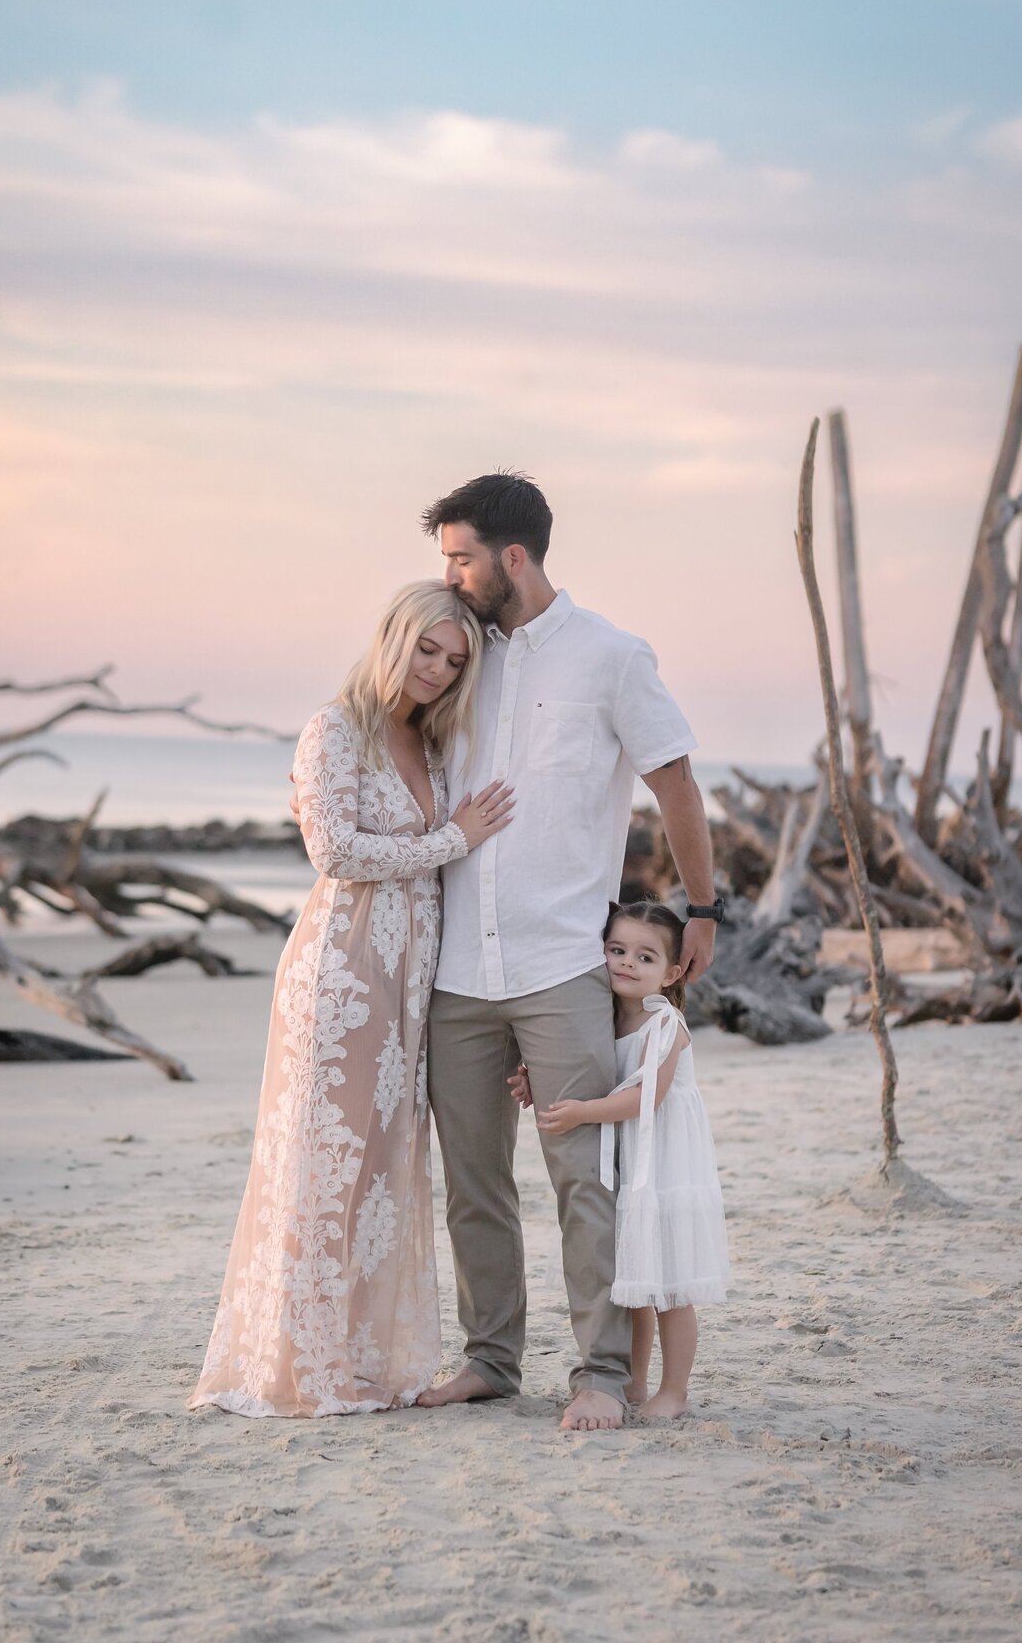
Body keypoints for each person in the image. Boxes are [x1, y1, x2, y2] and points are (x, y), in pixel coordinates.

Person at [417, 472, 721, 1432]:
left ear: (513, 557)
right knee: (473, 1181)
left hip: (560, 962)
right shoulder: (461, 655)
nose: (450, 576)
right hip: (458, 967)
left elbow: (675, 781)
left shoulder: (612, 657)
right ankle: (490, 1360)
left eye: (460, 557)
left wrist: (704, 908)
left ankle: (599, 1374)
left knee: (585, 1178)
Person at [188, 581, 513, 1418]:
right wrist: (454, 839)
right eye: (427, 650)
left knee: (382, 1173)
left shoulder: (433, 744)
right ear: (392, 638)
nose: (438, 670)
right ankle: (300, 1366)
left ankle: (361, 1358)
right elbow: (333, 850)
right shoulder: (335, 729)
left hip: (411, 984)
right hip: (341, 973)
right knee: (323, 1166)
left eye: (455, 660)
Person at [513, 901, 732, 1419]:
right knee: (633, 1281)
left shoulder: (665, 1025)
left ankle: (674, 1391)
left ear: (673, 972)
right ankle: (631, 1383)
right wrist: (535, 1080)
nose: (627, 963)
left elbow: (645, 1097)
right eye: (617, 950)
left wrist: (584, 1111)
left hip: (664, 1168)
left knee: (671, 1288)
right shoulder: (601, 1021)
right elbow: (589, 1069)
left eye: (645, 956)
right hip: (629, 1168)